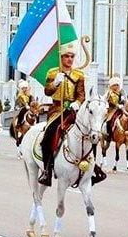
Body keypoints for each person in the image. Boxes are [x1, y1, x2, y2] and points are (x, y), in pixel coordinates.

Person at [38, 41, 91, 186]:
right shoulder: (53, 73)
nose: (69, 59)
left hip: (73, 110)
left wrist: (77, 103)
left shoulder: (78, 75)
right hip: (57, 110)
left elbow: (81, 95)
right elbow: (47, 92)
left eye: (72, 56)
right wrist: (55, 83)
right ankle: (47, 170)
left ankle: (93, 168)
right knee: (49, 134)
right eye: (66, 56)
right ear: (61, 57)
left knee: (91, 132)